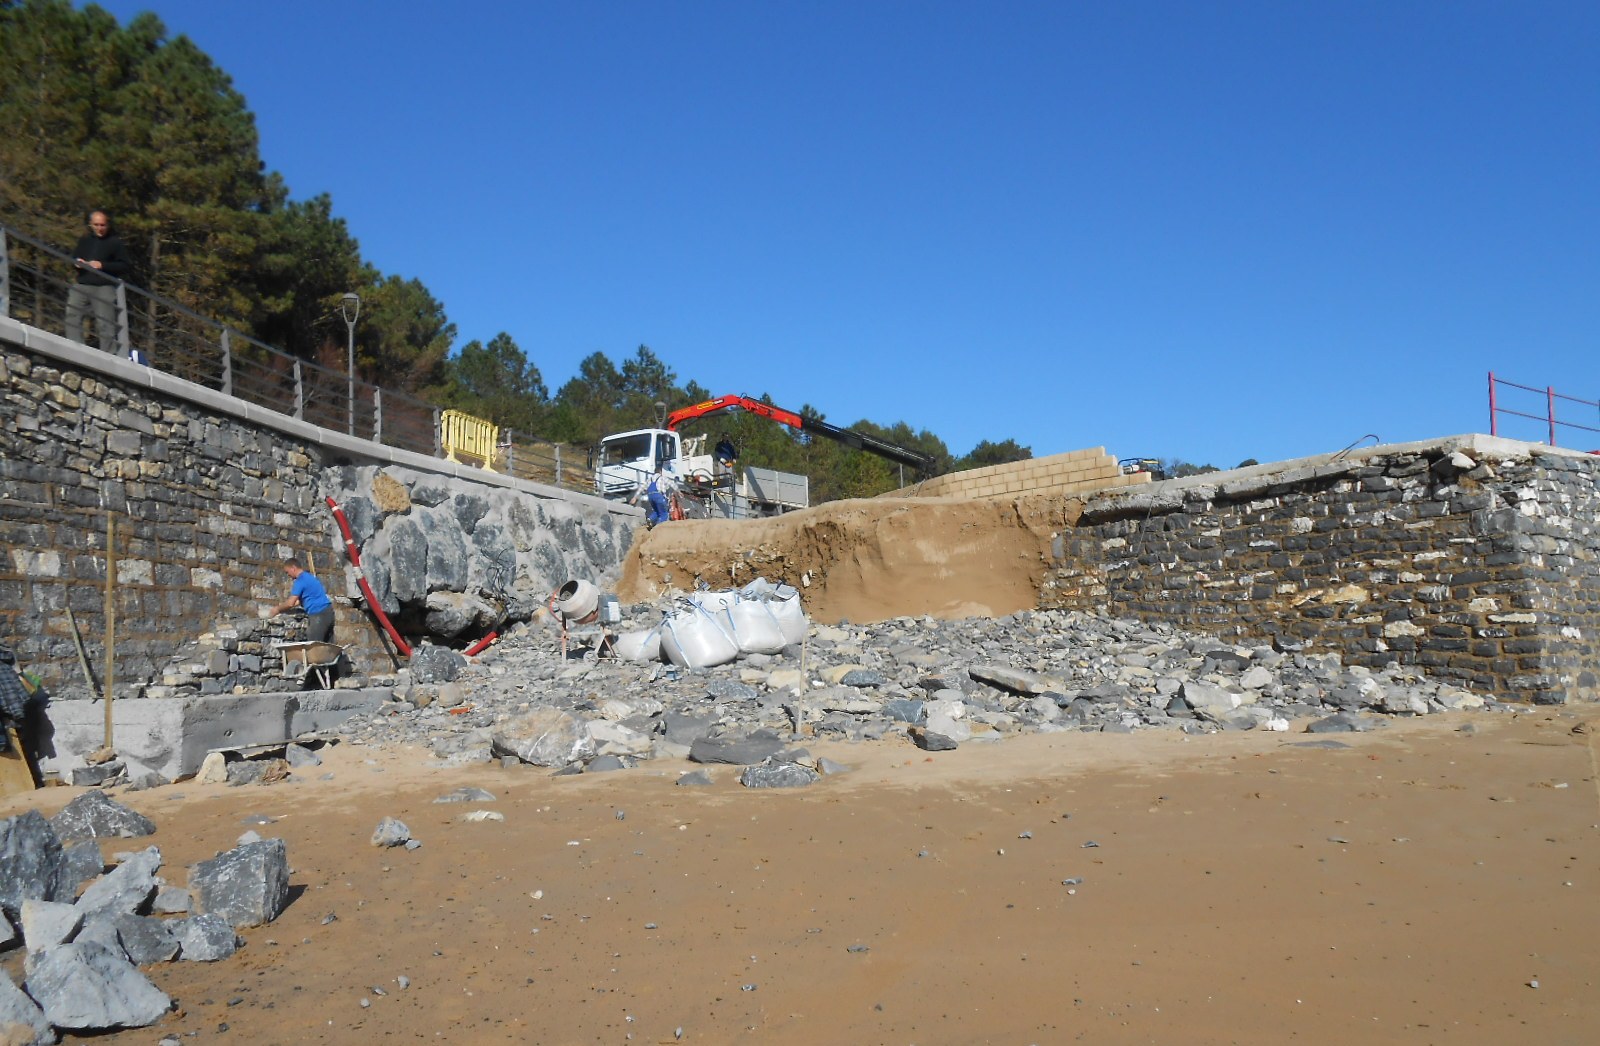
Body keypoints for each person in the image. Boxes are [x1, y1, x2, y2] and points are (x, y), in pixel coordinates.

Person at [65, 210, 134, 355]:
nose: (99, 228)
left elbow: (125, 266)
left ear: (108, 225)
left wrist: (102, 265)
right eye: (96, 225)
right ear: (90, 224)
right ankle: (74, 349)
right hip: (82, 283)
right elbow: (74, 257)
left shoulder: (115, 243)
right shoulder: (84, 240)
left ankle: (108, 355)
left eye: (102, 225)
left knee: (105, 324)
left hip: (104, 287)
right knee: (72, 315)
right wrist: (77, 263)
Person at [264, 558, 335, 642]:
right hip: (328, 613)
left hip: (318, 614)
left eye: (287, 572)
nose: (288, 575)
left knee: (315, 647)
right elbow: (298, 601)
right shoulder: (309, 577)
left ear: (293, 568)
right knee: (328, 647)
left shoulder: (300, 581)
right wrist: (285, 608)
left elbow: (291, 603)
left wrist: (277, 609)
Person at [644, 462, 677, 528]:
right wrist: (678, 491)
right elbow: (672, 484)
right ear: (660, 472)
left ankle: (650, 519)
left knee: (657, 511)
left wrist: (635, 497)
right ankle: (658, 527)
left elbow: (643, 487)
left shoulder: (649, 479)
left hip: (650, 497)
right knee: (664, 513)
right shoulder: (662, 478)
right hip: (658, 496)